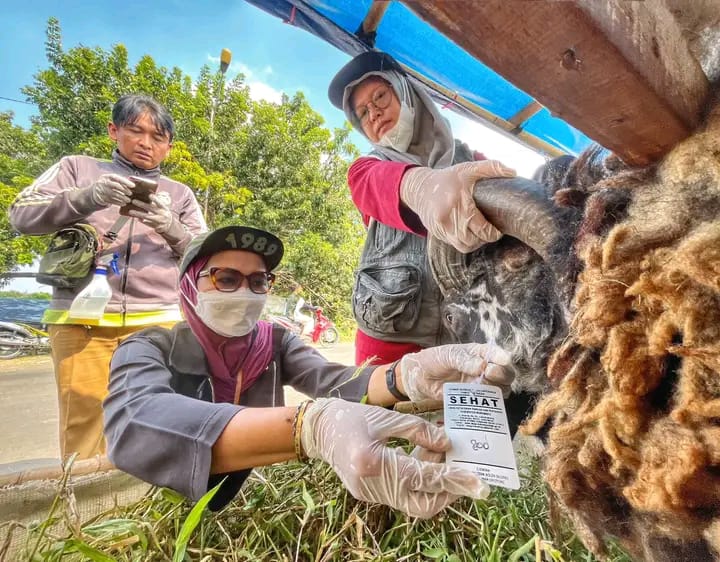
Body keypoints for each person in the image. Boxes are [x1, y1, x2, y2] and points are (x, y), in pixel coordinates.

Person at [103, 224, 514, 517]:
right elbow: (132, 423)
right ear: (189, 289)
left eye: (258, 281)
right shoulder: (149, 347)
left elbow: (332, 381)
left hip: (258, 503)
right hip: (170, 504)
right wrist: (309, 428)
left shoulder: (274, 341)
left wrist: (404, 375)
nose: (245, 292)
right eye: (226, 279)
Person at [8, 94, 207, 460]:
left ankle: (145, 507)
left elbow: (206, 257)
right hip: (80, 320)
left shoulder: (180, 194)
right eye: (135, 131)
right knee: (83, 423)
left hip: (157, 323)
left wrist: (171, 226)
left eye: (158, 137)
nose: (146, 143)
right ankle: (84, 512)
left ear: (169, 146)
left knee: (156, 418)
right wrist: (86, 198)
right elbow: (20, 213)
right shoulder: (77, 169)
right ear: (113, 130)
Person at [328, 51, 517, 366]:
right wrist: (420, 187)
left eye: (380, 97)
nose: (373, 113)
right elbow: (374, 185)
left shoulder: (473, 161)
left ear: (406, 92)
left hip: (470, 343)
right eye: (362, 112)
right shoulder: (365, 169)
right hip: (389, 350)